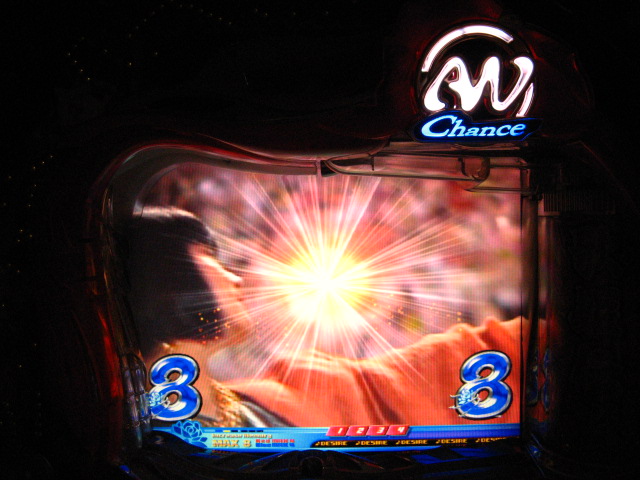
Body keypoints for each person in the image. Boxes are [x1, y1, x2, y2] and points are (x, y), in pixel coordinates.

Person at [126, 207, 522, 428]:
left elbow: (388, 382)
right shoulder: (150, 441)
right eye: (206, 256)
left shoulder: (274, 395)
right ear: (167, 280)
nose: (234, 278)